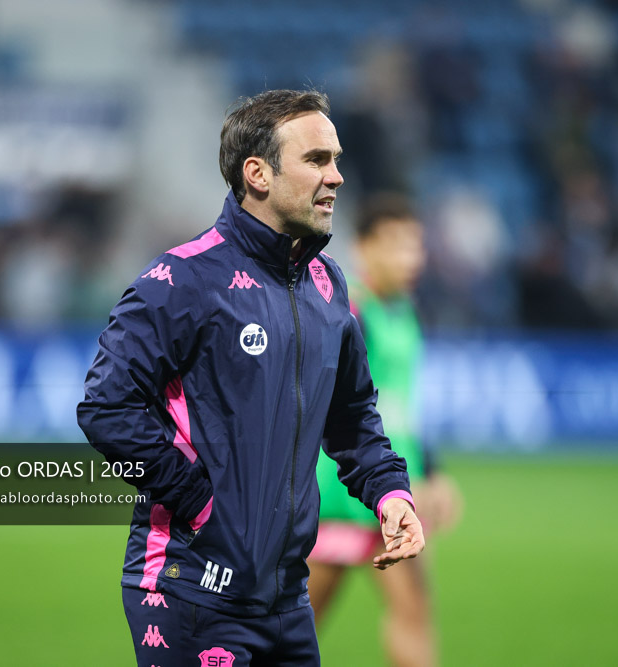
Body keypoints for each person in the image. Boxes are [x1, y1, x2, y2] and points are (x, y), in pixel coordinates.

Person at [78, 89, 425, 667]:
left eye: (336, 159)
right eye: (316, 160)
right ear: (257, 174)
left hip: (287, 599)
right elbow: (106, 409)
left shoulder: (328, 286)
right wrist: (198, 500)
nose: (336, 177)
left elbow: (353, 417)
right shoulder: (181, 280)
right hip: (189, 591)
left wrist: (389, 492)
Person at [309, 194, 461, 667]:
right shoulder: (352, 312)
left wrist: (430, 470)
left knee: (409, 610)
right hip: (348, 490)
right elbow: (336, 407)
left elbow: (399, 410)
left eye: (415, 247)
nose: (410, 259)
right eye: (396, 246)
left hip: (391, 487)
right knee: (298, 622)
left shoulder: (403, 312)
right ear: (365, 248)